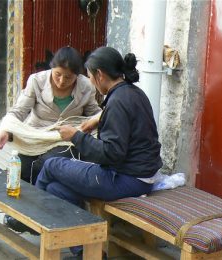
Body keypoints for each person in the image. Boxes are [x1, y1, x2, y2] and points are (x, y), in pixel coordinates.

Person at [35, 46, 163, 259]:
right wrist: (97, 120)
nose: (92, 84)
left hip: (127, 179)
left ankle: (34, 216)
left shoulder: (118, 101)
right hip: (140, 175)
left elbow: (112, 154)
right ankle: (85, 253)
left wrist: (75, 136)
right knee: (56, 189)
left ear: (100, 75)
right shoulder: (133, 93)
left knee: (51, 165)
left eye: (91, 78)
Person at [0, 46, 101, 232]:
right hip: (36, 135)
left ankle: (40, 218)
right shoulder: (37, 81)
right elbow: (18, 112)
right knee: (22, 165)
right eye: (58, 74)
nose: (62, 81)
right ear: (52, 68)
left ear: (77, 76)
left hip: (65, 139)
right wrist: (5, 132)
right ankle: (21, 213)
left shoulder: (86, 86)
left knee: (48, 163)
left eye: (68, 77)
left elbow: (94, 113)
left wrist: (100, 119)